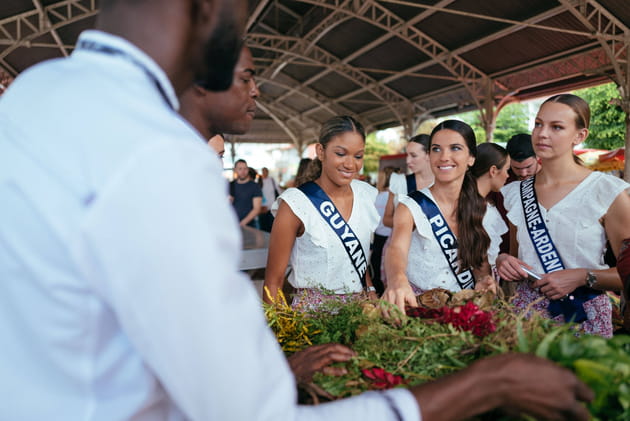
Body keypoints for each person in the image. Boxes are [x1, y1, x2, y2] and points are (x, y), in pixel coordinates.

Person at [0, 0, 594, 418]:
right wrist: (485, 385)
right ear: (207, 10)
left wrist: (273, 368)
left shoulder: (38, 91)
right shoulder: (158, 156)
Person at [496, 94, 630, 337]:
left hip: (582, 317)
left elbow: (627, 274)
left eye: (556, 127)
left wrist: (582, 277)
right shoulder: (515, 193)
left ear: (580, 136)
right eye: (538, 124)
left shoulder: (607, 192)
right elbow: (518, 257)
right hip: (525, 316)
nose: (542, 133)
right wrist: (504, 261)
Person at [263, 115, 381, 309]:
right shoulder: (296, 204)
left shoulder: (366, 195)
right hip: (313, 320)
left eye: (358, 156)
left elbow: (357, 256)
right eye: (341, 154)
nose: (350, 165)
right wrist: (279, 333)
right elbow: (273, 284)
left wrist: (370, 290)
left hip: (361, 314)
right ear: (321, 151)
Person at [383, 120, 496, 311]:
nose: (444, 157)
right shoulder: (410, 205)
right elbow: (396, 249)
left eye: (455, 148)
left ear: (471, 158)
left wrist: (484, 281)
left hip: (463, 312)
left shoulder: (482, 208)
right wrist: (397, 279)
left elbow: (480, 264)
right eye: (436, 149)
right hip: (418, 308)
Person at [470, 143, 510, 276]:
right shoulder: (483, 210)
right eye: (506, 170)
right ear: (493, 171)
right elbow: (482, 262)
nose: (507, 176)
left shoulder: (467, 200)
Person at [370, 166, 398, 295]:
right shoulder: (397, 198)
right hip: (391, 237)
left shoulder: (377, 196)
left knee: (377, 270)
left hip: (378, 237)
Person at [230, 158, 263, 228]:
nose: (243, 171)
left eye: (245, 168)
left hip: (249, 226)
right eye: (240, 169)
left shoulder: (254, 186)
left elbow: (256, 209)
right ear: (235, 170)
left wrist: (241, 224)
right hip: (231, 224)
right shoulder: (230, 185)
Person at [259, 166, 281, 232]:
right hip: (263, 207)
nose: (265, 173)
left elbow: (278, 190)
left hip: (272, 206)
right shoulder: (259, 181)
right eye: (263, 171)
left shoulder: (272, 180)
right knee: (264, 225)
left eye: (266, 171)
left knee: (271, 225)